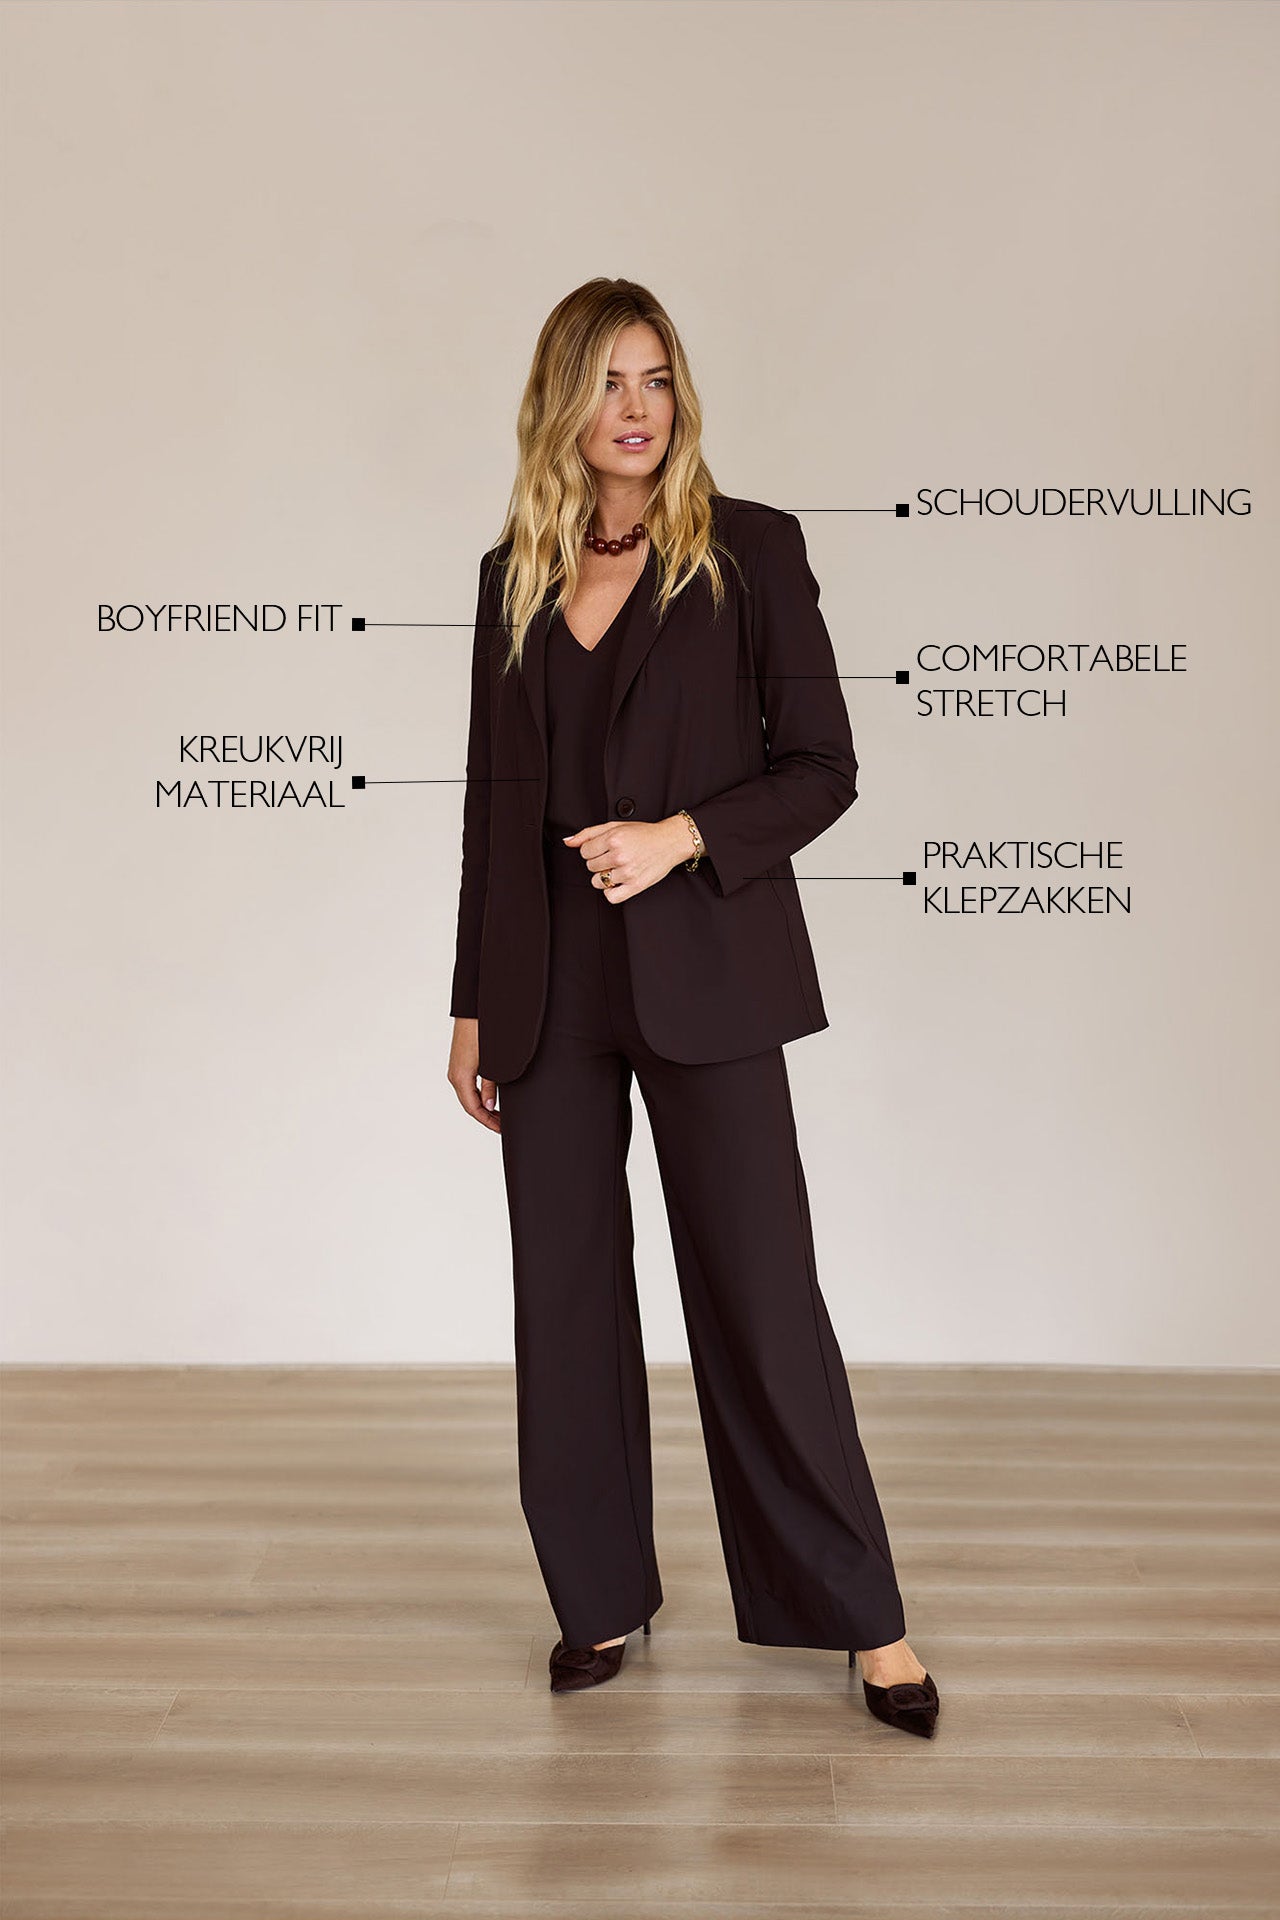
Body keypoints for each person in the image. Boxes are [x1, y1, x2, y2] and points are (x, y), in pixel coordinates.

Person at [447, 278, 939, 1738]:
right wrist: (470, 1001)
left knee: (763, 1294)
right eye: (609, 382)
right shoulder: (513, 575)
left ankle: (865, 1620)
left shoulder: (752, 552)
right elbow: (491, 811)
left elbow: (825, 767)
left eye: (657, 378)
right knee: (565, 1295)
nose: (638, 408)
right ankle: (600, 1594)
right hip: (547, 988)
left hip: (707, 971)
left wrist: (681, 838)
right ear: (564, 402)